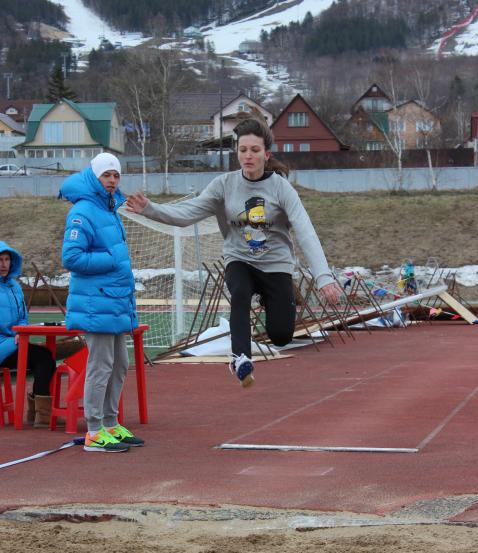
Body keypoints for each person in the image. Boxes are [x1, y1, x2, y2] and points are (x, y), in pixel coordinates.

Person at [126, 117, 341, 387]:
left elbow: (305, 231)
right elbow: (187, 213)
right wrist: (150, 209)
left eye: (254, 150)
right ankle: (240, 358)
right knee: (239, 293)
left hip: (275, 264)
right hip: (240, 259)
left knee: (281, 335)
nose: (248, 156)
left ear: (266, 154)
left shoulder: (281, 188)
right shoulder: (224, 185)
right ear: (237, 153)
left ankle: (267, 297)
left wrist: (323, 277)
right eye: (243, 150)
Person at [60, 152, 144, 453]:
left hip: (114, 301)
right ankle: (94, 431)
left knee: (119, 364)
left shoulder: (109, 210)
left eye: (116, 175)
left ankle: (110, 423)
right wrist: (110, 259)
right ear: (95, 178)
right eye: (106, 175)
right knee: (101, 365)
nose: (112, 180)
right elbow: (71, 257)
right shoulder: (82, 211)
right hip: (96, 303)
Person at [0, 239, 56, 427]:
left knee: (46, 357)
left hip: (10, 341)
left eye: (7, 259)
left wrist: (20, 331)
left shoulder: (14, 286)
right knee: (44, 358)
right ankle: (41, 414)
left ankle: (38, 413)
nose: (4, 264)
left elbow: (23, 316)